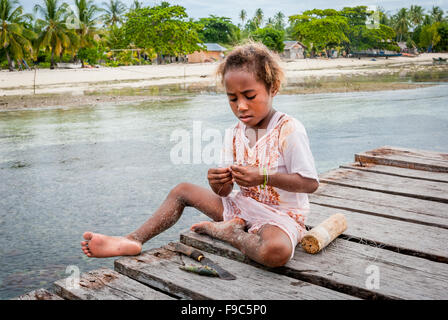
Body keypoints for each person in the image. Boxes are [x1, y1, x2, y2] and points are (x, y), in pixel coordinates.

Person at [81, 42, 319, 268]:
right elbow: (224, 193)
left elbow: (309, 183)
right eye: (232, 98)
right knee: (182, 190)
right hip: (241, 208)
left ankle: (230, 233)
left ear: (273, 88)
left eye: (250, 96)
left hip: (280, 217)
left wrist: (264, 177)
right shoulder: (234, 134)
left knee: (276, 252)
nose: (241, 106)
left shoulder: (289, 129)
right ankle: (133, 239)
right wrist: (217, 183)